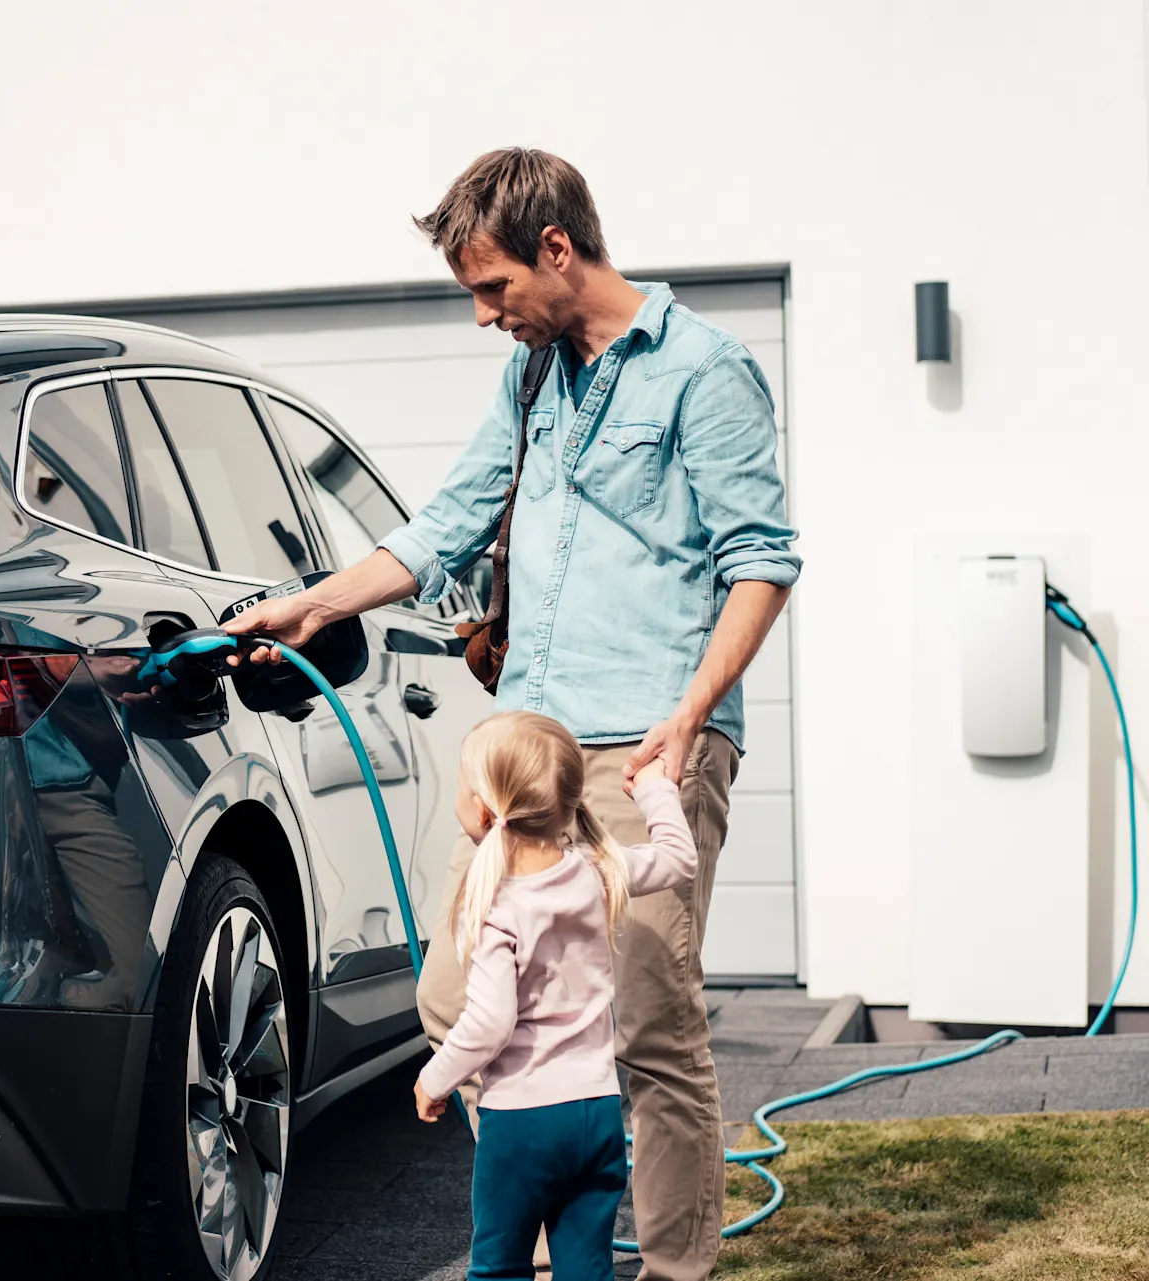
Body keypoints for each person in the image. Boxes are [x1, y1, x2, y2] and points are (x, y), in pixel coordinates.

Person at [225, 148, 800, 1279]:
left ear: (557, 248)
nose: (485, 316)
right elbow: (445, 523)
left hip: (642, 745)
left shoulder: (703, 371)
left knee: (647, 1026)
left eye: (493, 288)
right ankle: (557, 1243)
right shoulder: (532, 380)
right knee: (454, 997)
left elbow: (762, 561)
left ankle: (677, 1268)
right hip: (525, 757)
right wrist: (314, 604)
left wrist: (690, 719)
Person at [416, 712, 696, 1281]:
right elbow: (678, 857)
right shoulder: (598, 871)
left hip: (522, 1123)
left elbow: (490, 1022)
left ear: (485, 811)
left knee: (499, 1267)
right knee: (586, 1269)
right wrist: (654, 789)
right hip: (596, 1115)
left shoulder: (493, 905)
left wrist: (434, 1078)